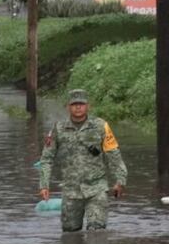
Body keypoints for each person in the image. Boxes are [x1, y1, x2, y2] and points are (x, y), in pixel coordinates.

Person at [37, 89, 127, 232]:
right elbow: (47, 158)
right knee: (70, 234)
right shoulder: (58, 129)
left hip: (96, 188)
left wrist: (120, 180)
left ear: (88, 106)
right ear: (68, 107)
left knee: (96, 232)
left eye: (81, 104)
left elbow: (113, 154)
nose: (78, 107)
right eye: (74, 104)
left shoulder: (101, 126)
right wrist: (44, 185)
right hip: (71, 191)